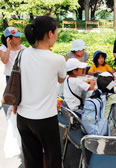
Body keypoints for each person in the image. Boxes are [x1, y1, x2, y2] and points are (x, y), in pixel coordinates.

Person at [16, 16, 66, 168]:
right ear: (50, 34)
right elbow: (61, 79)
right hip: (45, 118)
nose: (57, 35)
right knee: (53, 160)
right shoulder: (57, 59)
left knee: (32, 160)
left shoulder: (22, 53)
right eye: (56, 31)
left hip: (23, 117)